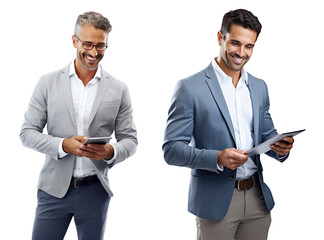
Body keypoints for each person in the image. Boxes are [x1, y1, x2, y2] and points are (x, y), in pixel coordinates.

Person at [162, 9, 294, 240]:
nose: (241, 53)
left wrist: (280, 147)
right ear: (219, 38)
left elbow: (266, 134)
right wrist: (217, 158)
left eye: (249, 46)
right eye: (235, 43)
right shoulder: (189, 87)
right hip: (215, 203)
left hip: (257, 201)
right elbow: (171, 150)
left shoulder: (259, 87)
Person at [20, 11, 137, 240]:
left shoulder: (119, 89)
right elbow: (27, 132)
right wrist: (63, 145)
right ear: (74, 41)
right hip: (52, 191)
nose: (94, 53)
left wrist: (110, 151)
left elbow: (130, 140)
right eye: (88, 44)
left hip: (95, 191)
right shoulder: (47, 82)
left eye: (101, 46)